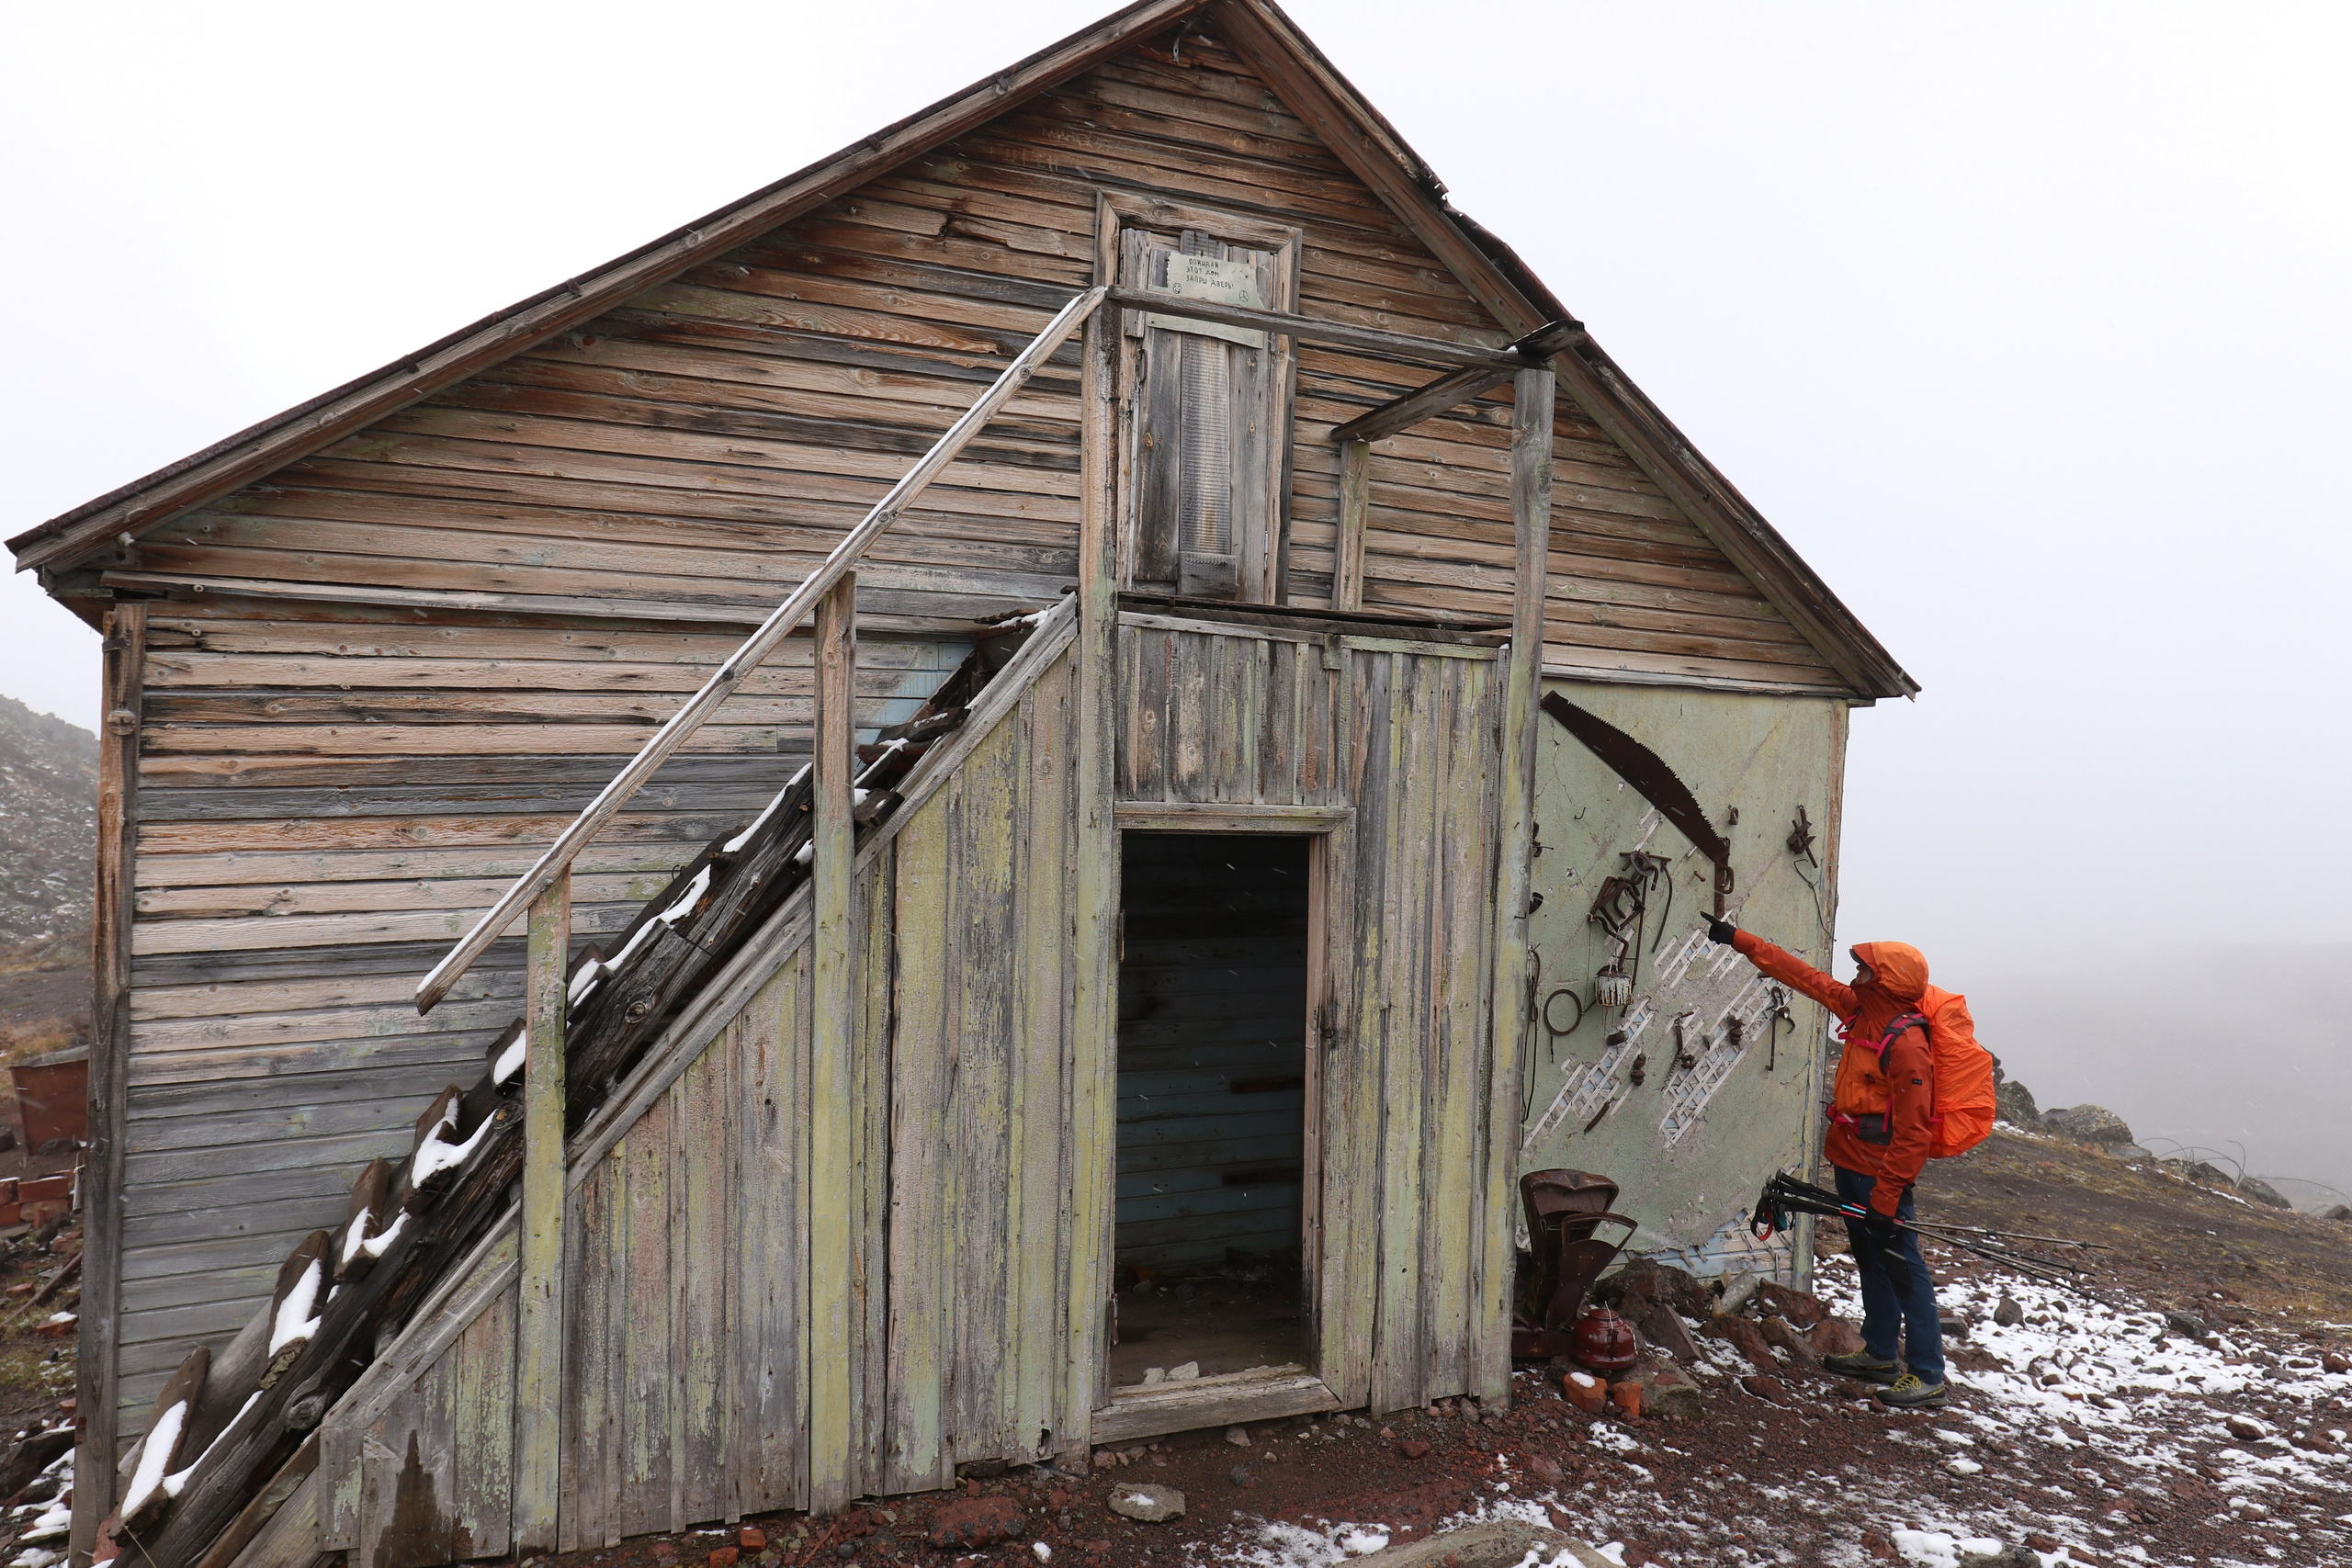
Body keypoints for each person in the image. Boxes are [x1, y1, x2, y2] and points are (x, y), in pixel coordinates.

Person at [1707, 914, 1949, 1409]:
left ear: (1884, 983)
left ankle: (1928, 1374)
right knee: (1869, 1257)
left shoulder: (1906, 1046)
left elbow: (1914, 1133)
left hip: (1882, 1173)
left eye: (1863, 971)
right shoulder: (1862, 1013)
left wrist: (1886, 1195)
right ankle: (1881, 1352)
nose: (1853, 976)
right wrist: (1740, 940)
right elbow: (1804, 976)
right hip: (1850, 1160)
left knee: (1905, 1267)